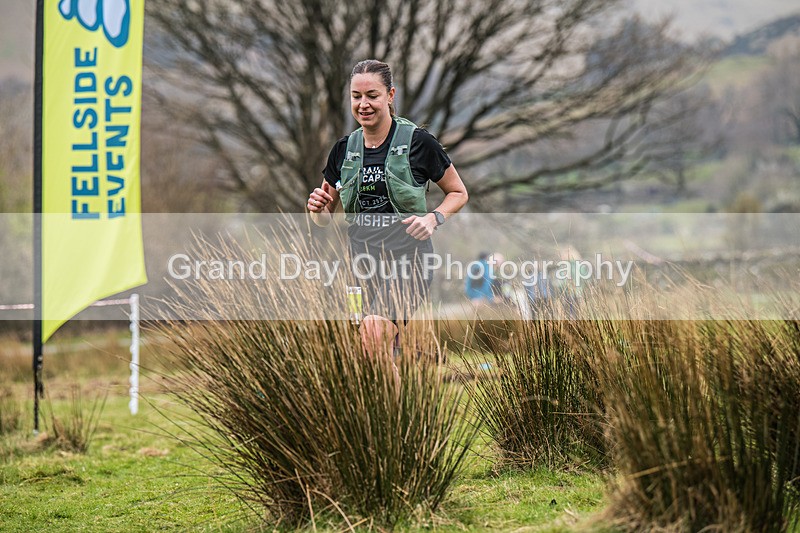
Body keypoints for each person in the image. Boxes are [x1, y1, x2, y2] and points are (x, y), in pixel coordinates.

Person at [307, 59, 468, 357]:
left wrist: (434, 219)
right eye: (356, 97)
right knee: (373, 353)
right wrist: (317, 208)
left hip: (409, 261)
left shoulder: (420, 144)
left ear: (390, 95)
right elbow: (323, 219)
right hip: (360, 268)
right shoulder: (343, 150)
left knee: (372, 334)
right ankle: (390, 406)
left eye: (372, 96)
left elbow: (458, 192)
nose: (363, 104)